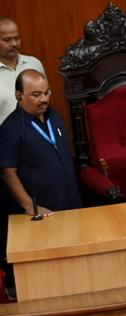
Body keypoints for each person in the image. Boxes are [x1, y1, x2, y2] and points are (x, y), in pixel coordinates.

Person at [0, 70, 81, 216]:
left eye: (47, 93)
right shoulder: (10, 128)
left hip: (71, 201)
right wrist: (30, 206)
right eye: (36, 95)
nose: (44, 99)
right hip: (44, 210)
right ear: (19, 95)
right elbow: (7, 173)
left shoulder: (54, 115)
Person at [0, 17, 43, 123]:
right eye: (7, 40)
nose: (14, 44)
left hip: (39, 130)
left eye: (17, 38)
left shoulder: (34, 64)